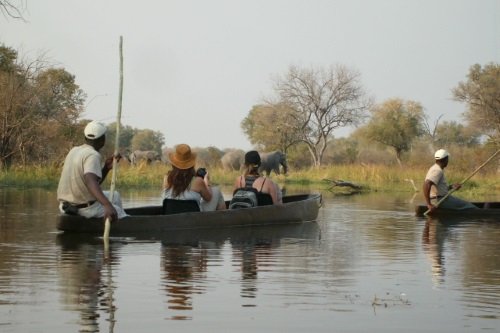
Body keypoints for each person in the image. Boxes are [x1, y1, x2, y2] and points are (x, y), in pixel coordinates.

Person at [57, 120, 127, 222]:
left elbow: (90, 182)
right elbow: (91, 183)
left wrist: (106, 168)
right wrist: (107, 205)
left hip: (65, 206)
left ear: (86, 137)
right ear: (103, 139)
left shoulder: (74, 150)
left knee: (115, 196)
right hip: (83, 209)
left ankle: (110, 223)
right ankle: (119, 223)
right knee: (119, 213)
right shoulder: (93, 155)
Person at [162, 144, 226, 211]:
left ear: (174, 164)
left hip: (170, 219)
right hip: (194, 220)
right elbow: (208, 198)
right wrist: (206, 181)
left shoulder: (166, 179)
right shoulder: (197, 181)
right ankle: (223, 219)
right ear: (191, 164)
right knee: (216, 191)